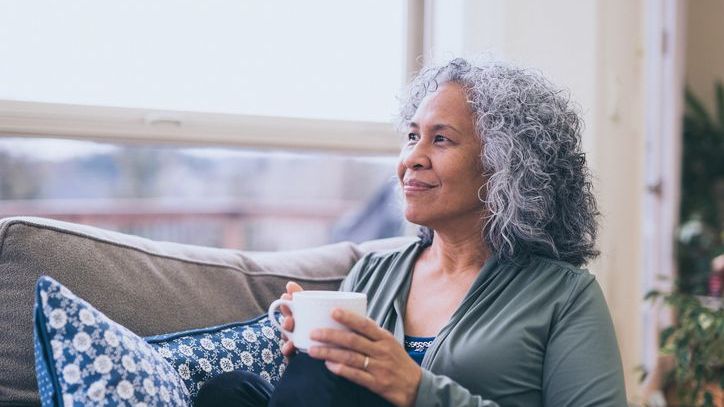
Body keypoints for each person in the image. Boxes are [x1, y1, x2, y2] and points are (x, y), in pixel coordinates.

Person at [197, 57, 628, 406]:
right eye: (411, 136)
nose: (412, 158)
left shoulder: (564, 296)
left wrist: (417, 390)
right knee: (231, 393)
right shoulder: (373, 272)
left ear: (505, 167)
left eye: (441, 140)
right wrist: (313, 350)